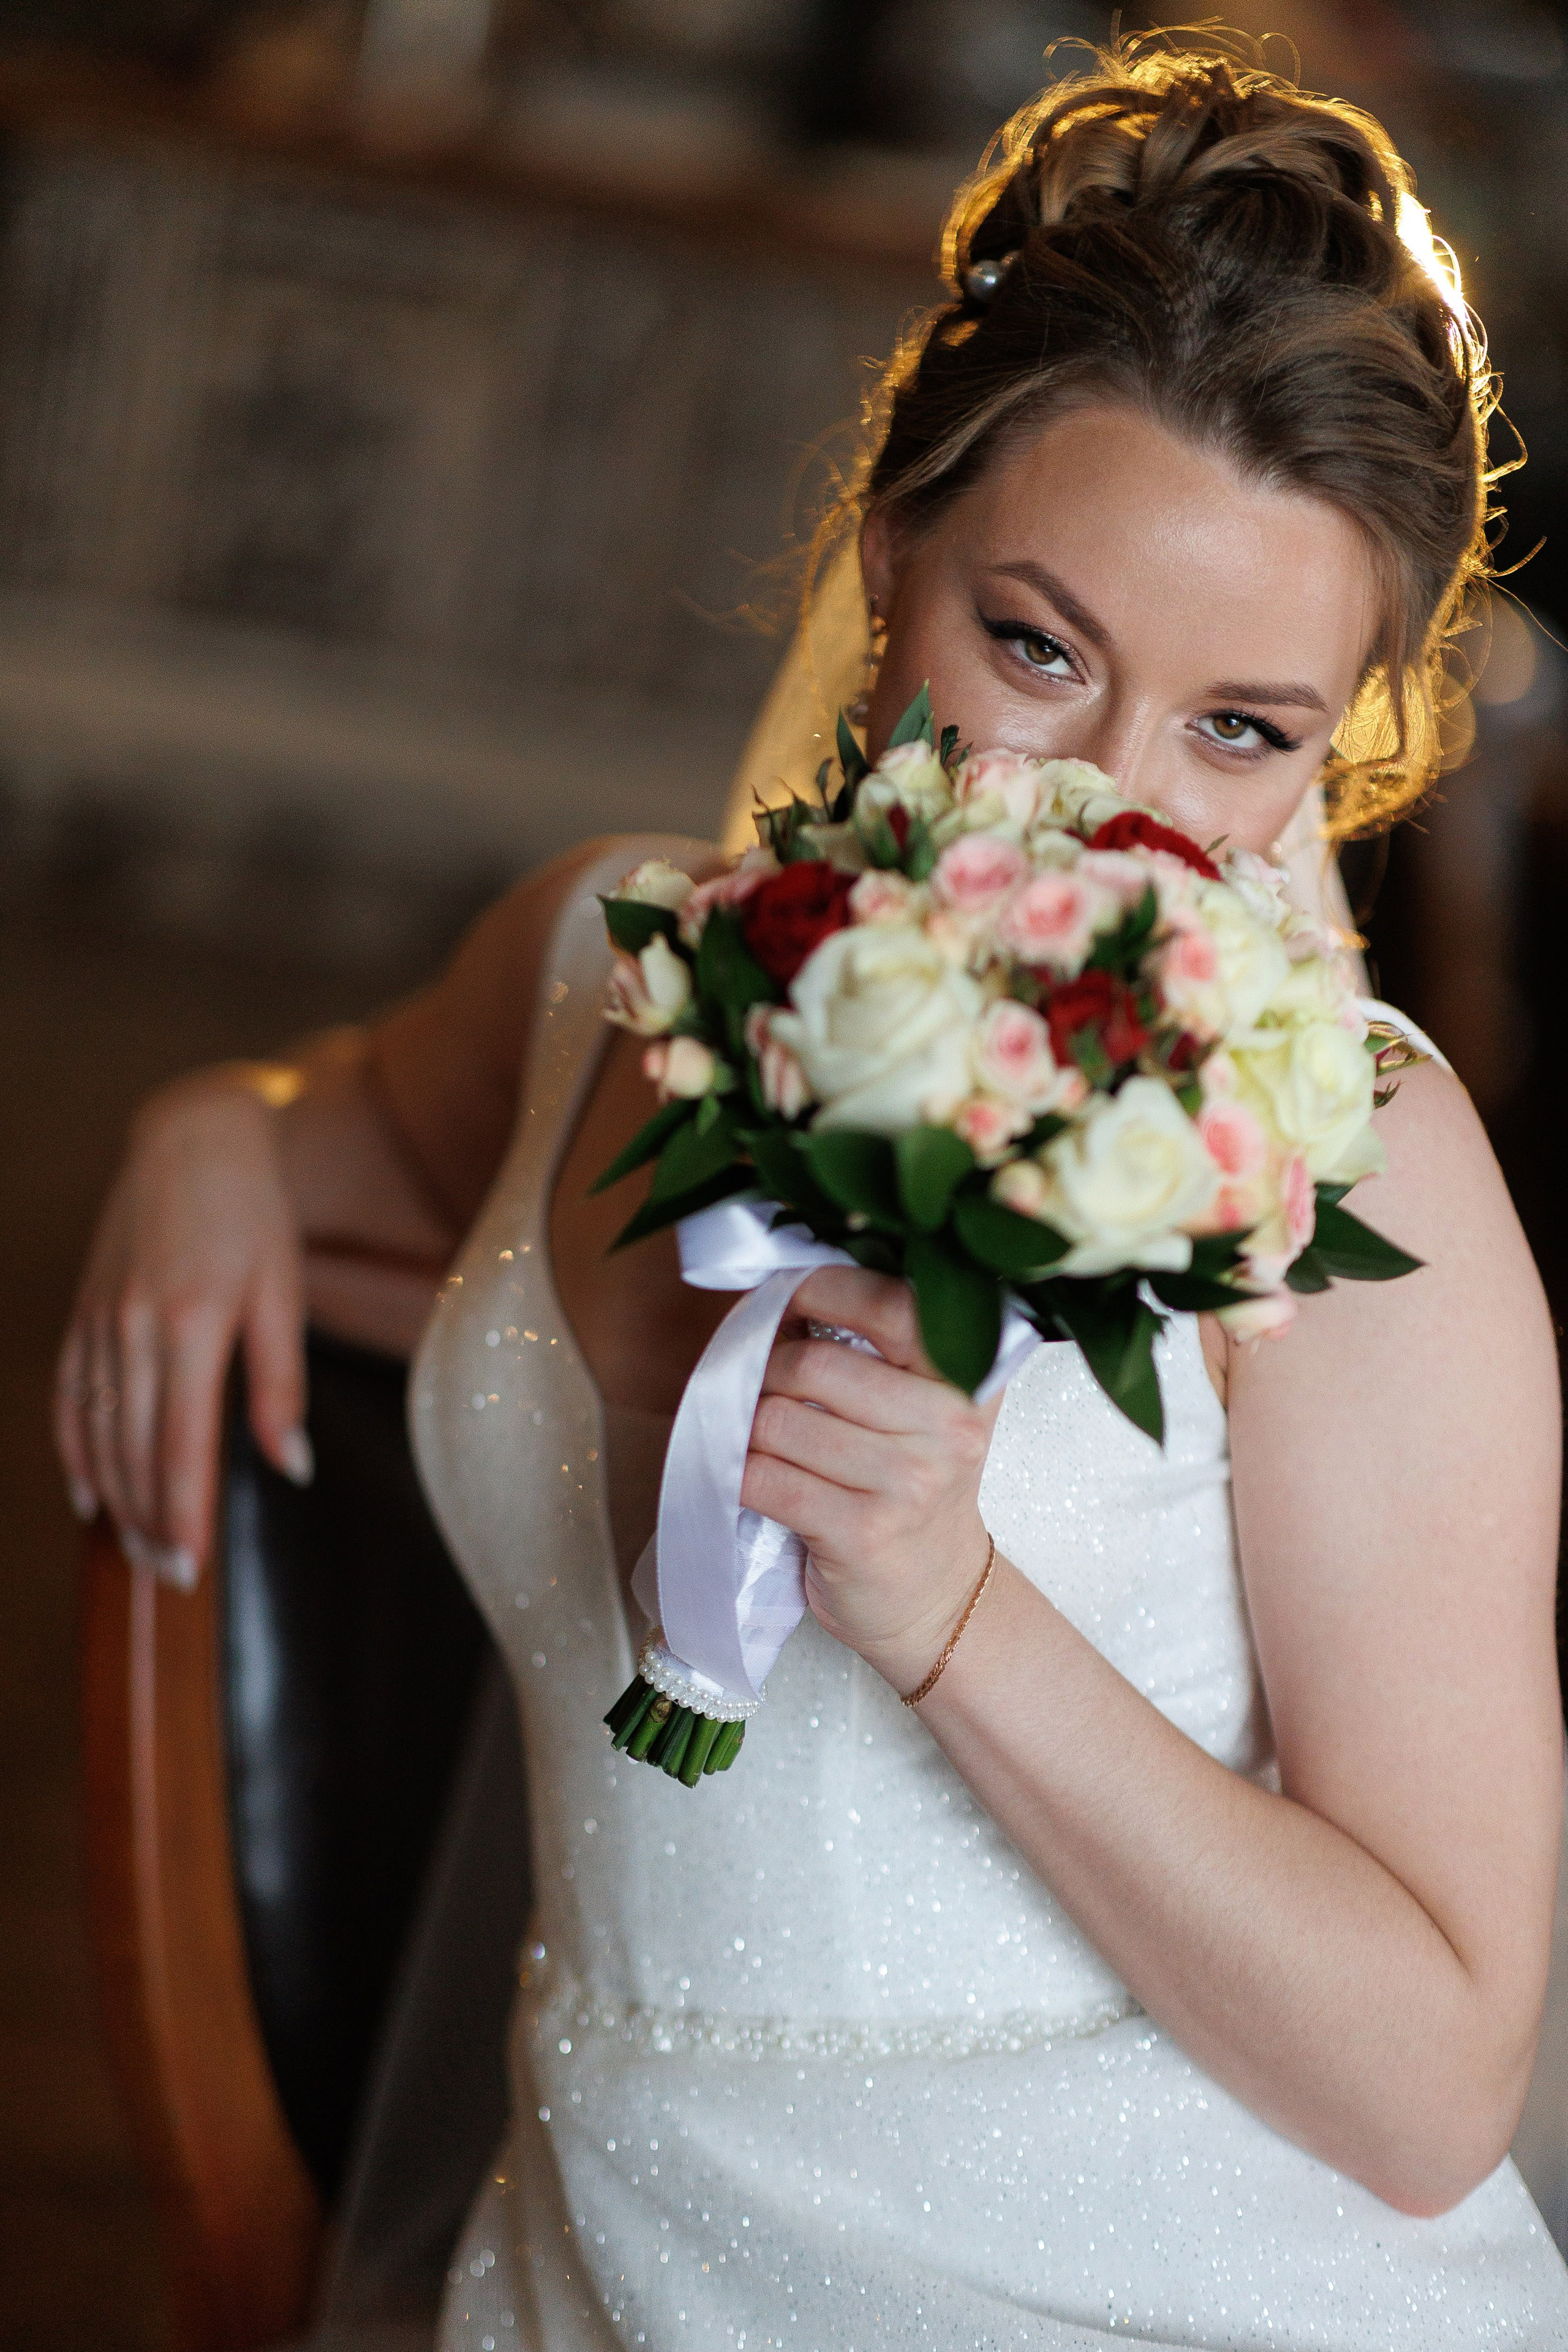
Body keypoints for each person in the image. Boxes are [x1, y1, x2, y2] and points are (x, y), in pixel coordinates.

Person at [56, 37, 1568, 2351]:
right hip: (600, 2269)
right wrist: (208, 1132)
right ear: (891, 563)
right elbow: (326, 1116)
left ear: (1337, 738)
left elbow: (1434, 2085)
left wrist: (955, 1614)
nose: (1117, 805)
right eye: (1037, 649)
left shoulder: (1360, 1178)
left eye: (1242, 728)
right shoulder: (599, 963)